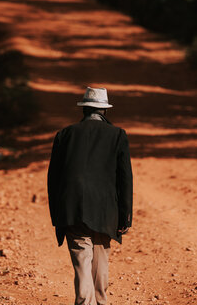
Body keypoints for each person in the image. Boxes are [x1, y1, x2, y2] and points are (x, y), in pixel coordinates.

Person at [47, 86, 133, 305]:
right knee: (100, 259)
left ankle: (85, 302)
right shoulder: (117, 135)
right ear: (104, 111)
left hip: (72, 207)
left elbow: (53, 179)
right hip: (105, 211)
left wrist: (57, 214)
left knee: (82, 260)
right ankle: (101, 302)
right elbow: (125, 180)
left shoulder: (65, 135)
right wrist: (125, 218)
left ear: (84, 109)